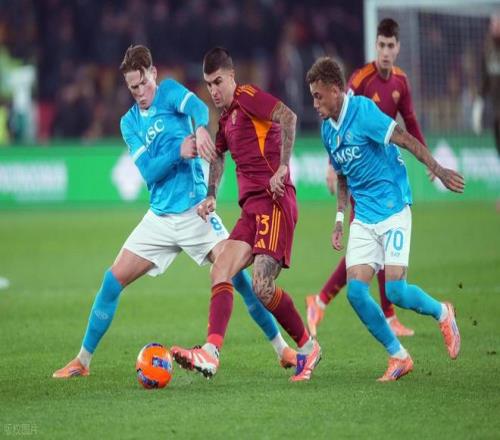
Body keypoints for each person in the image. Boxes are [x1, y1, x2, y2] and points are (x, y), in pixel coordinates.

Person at [52, 45, 296, 379]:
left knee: (237, 277)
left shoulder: (168, 92)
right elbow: (149, 173)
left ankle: (283, 349)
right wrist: (179, 151)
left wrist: (199, 127)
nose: (140, 92)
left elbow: (198, 107)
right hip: (159, 219)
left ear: (153, 74)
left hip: (196, 213)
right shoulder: (129, 123)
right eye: (133, 88)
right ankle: (82, 361)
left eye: (143, 83)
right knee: (111, 281)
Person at [306, 56, 463, 381]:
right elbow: (342, 175)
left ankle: (442, 312)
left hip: (393, 207)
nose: (315, 104)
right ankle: (398, 356)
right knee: (356, 293)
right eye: (313, 97)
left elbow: (404, 138)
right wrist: (339, 219)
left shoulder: (363, 112)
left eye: (319, 96)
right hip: (364, 216)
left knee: (396, 292)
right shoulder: (326, 131)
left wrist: (438, 170)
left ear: (335, 90)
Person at [170, 47, 321, 382]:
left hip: (274, 202)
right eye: (208, 84)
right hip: (250, 210)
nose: (213, 90)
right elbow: (219, 157)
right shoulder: (225, 120)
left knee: (262, 286)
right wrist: (211, 195)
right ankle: (210, 353)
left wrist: (283, 167)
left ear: (231, 76)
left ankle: (308, 347)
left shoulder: (248, 97)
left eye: (218, 82)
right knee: (220, 269)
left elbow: (289, 117)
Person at [307, 18, 429, 339]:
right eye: (381, 45)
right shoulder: (360, 79)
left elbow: (410, 122)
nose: (386, 51)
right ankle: (379, 315)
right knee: (366, 253)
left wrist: (429, 161)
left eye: (391, 46)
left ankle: (322, 301)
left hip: (382, 175)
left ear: (398, 48)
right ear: (375, 46)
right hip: (362, 180)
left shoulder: (401, 81)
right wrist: (333, 167)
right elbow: (337, 122)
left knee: (367, 255)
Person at [473, 13, 500, 157]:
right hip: (496, 108)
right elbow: (485, 77)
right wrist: (479, 103)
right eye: (493, 24)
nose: (495, 27)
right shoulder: (488, 49)